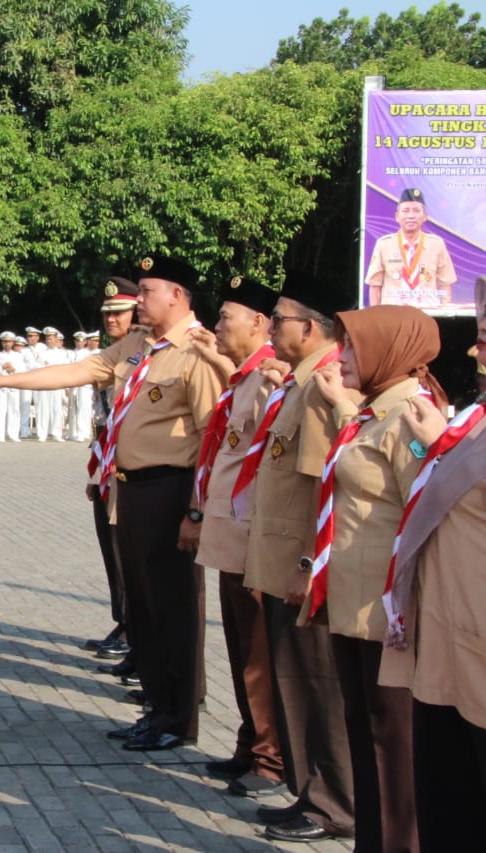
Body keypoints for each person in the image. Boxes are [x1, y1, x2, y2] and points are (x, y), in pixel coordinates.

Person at [0, 255, 225, 750]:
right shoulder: (137, 345)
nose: (139, 300)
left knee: (172, 609)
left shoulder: (199, 352)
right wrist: (0, 382)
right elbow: (78, 369)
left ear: (177, 295)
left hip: (170, 490)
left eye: (149, 290)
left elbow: (212, 439)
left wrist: (197, 511)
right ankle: (156, 710)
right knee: (143, 606)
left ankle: (179, 720)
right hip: (131, 489)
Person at [306, 304, 444, 853]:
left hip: (386, 613)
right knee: (365, 734)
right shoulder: (374, 413)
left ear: (390, 349)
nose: (341, 357)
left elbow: (426, 517)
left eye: (355, 347)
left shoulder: (411, 415)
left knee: (393, 747)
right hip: (352, 604)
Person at [241, 271, 358, 844]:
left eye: (281, 318)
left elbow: (323, 484)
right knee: (297, 683)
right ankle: (310, 792)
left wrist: (308, 565)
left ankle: (333, 804)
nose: (274, 326)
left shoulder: (321, 386)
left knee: (315, 684)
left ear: (310, 328)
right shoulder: (299, 381)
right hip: (287, 562)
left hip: (300, 569)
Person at [379, 274, 486, 851]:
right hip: (445, 649)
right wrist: (433, 441)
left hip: (477, 653)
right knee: (448, 806)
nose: (473, 351)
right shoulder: (471, 420)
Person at [187, 276, 286, 799]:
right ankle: (250, 743)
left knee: (258, 654)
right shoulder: (245, 376)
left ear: (260, 324)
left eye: (227, 317)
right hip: (231, 537)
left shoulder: (271, 379)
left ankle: (271, 758)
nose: (218, 324)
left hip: (252, 541)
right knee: (241, 648)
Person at [84, 277, 139, 657]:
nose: (111, 319)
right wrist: (94, 471)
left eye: (119, 312)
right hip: (106, 462)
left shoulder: (142, 354)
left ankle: (135, 631)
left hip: (131, 468)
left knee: (126, 552)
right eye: (107, 313)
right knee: (111, 550)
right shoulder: (112, 354)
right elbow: (102, 420)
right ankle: (124, 620)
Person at [365, 187, 456, 309]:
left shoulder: (436, 244)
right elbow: (375, 285)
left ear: (425, 216)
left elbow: (445, 284)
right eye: (406, 211)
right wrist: (376, 317)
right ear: (397, 216)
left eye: (416, 211)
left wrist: (446, 314)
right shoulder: (384, 245)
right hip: (394, 315)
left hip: (427, 315)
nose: (411, 216)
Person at [35, 327, 71, 442]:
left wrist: (66, 386)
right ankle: (42, 433)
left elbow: (66, 369)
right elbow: (36, 368)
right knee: (43, 408)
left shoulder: (62, 354)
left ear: (56, 340)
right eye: (47, 339)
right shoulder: (41, 354)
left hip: (57, 384)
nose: (49, 341)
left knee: (57, 409)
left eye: (51, 339)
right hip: (44, 384)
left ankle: (57, 433)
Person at [0, 332, 23, 442]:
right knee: (1, 410)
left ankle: (13, 434)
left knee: (14, 410)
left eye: (8, 341)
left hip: (13, 385)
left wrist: (12, 369)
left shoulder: (18, 356)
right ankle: (0, 435)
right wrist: (3, 368)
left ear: (13, 342)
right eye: (4, 342)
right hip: (1, 385)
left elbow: (22, 371)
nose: (7, 344)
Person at [67, 331, 95, 442]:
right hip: (72, 384)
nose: (79, 343)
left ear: (85, 342)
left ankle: (83, 432)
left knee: (84, 408)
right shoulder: (71, 353)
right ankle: (73, 432)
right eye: (77, 341)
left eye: (82, 341)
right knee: (72, 408)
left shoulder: (88, 354)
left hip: (84, 384)